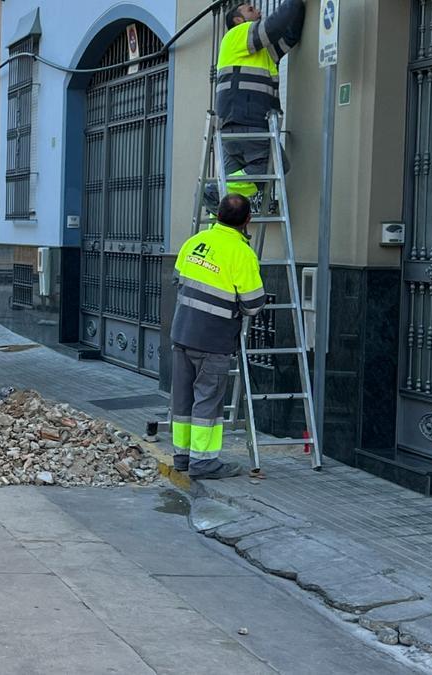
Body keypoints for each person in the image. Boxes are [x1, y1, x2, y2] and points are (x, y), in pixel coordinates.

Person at [170, 194, 266, 480]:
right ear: (247, 220)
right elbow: (253, 304)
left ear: (217, 215)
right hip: (213, 340)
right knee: (208, 403)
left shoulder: (195, 241)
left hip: (182, 332)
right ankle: (204, 463)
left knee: (183, 399)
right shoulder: (242, 253)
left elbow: (179, 278)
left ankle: (182, 457)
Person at [204, 0, 305, 210]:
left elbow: (290, 36)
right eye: (251, 9)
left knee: (230, 196)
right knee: (275, 165)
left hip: (236, 123)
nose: (258, 11)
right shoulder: (237, 34)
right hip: (245, 121)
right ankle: (216, 192)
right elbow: (274, 25)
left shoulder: (262, 53)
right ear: (238, 20)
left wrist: (299, 7)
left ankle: (217, 232)